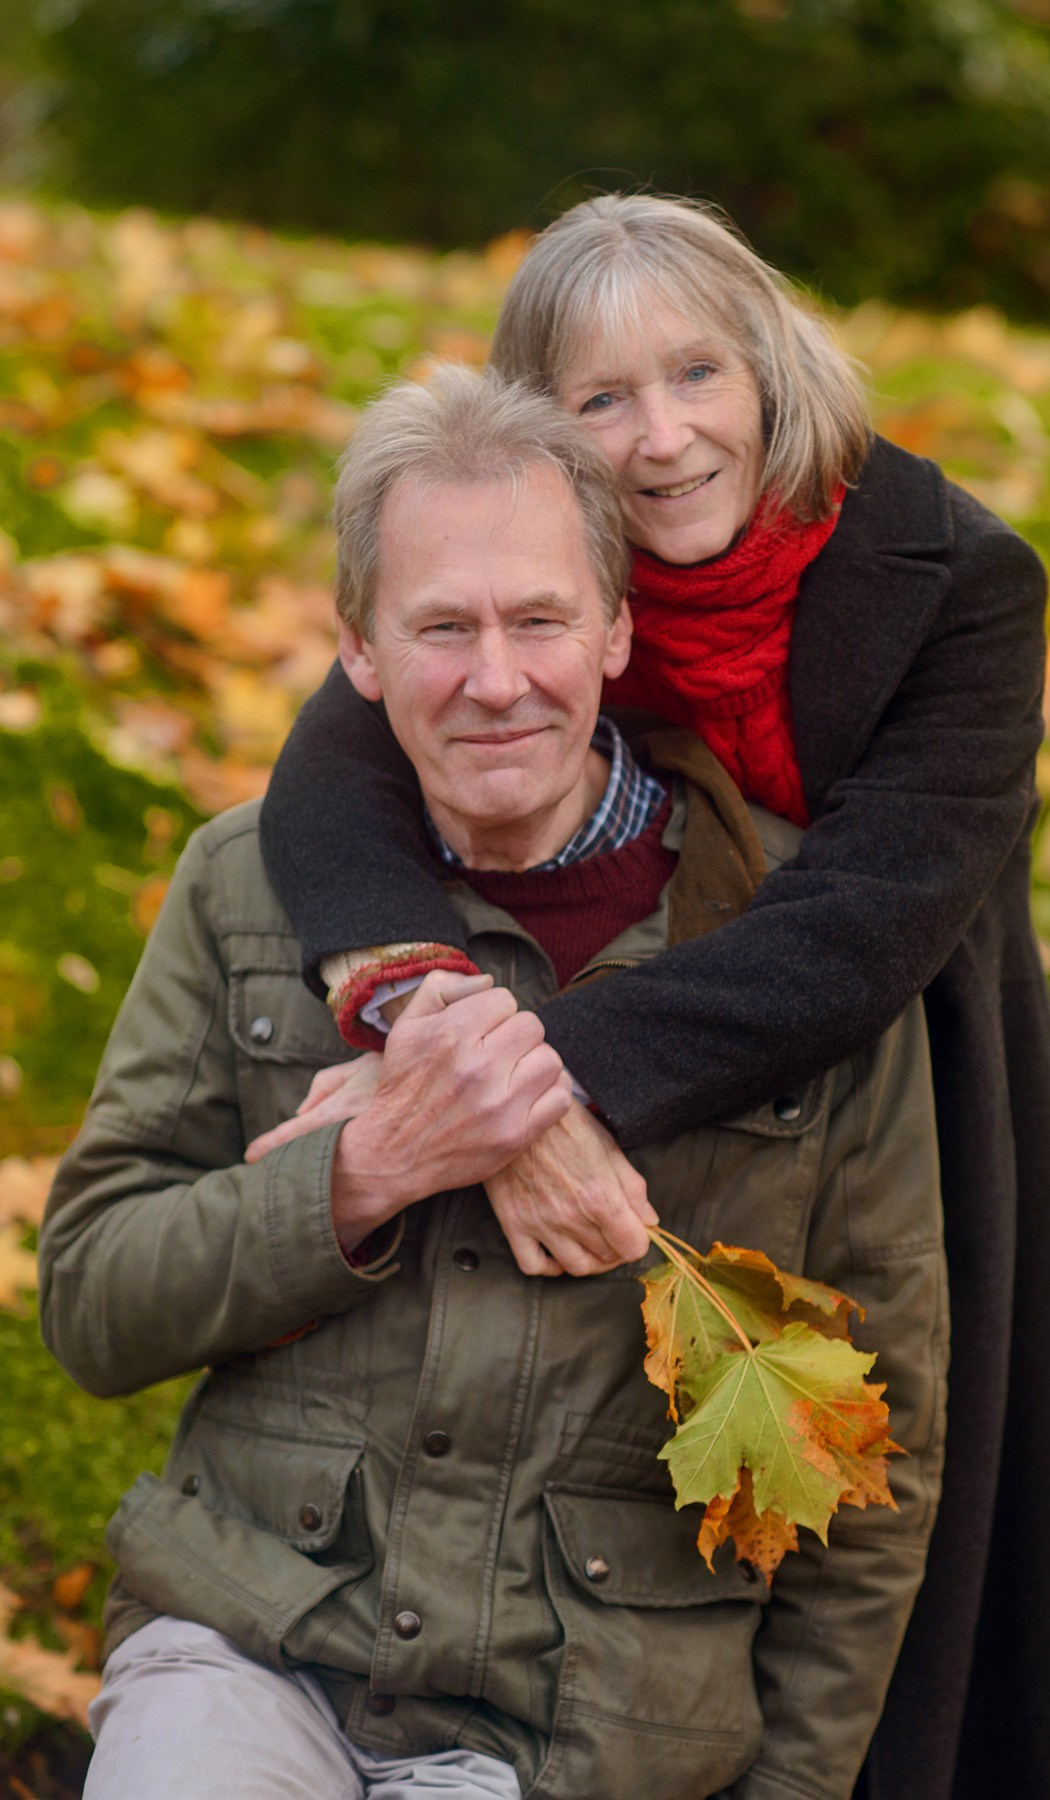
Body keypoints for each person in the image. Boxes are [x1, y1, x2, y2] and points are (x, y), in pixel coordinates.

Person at [257, 195, 1050, 1800]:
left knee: (895, 1511)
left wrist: (496, 1087)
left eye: (696, 376)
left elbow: (865, 927)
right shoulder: (549, 573)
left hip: (896, 1062)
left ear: (769, 368)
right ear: (540, 425)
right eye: (599, 399)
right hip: (609, 1021)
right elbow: (325, 779)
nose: (659, 440)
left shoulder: (956, 580)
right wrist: (423, 1012)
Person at [39, 365, 948, 1800]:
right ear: (358, 648)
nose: (497, 678)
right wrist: (362, 1171)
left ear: (616, 631)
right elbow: (90, 1301)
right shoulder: (240, 883)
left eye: (538, 620)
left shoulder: (800, 943)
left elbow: (872, 1449)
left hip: (582, 1735)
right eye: (441, 628)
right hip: (253, 1648)